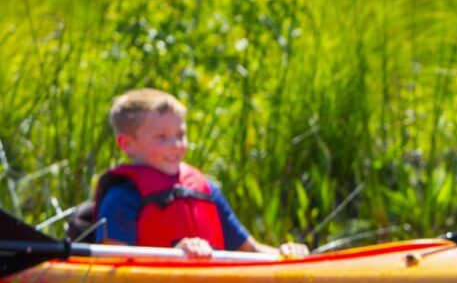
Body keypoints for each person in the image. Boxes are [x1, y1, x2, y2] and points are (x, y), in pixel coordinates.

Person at [80, 88, 308, 258]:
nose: (176, 144)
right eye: (162, 137)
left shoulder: (206, 189)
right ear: (127, 144)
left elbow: (251, 249)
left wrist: (284, 254)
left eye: (181, 134)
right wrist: (174, 256)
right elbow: (111, 261)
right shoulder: (123, 195)